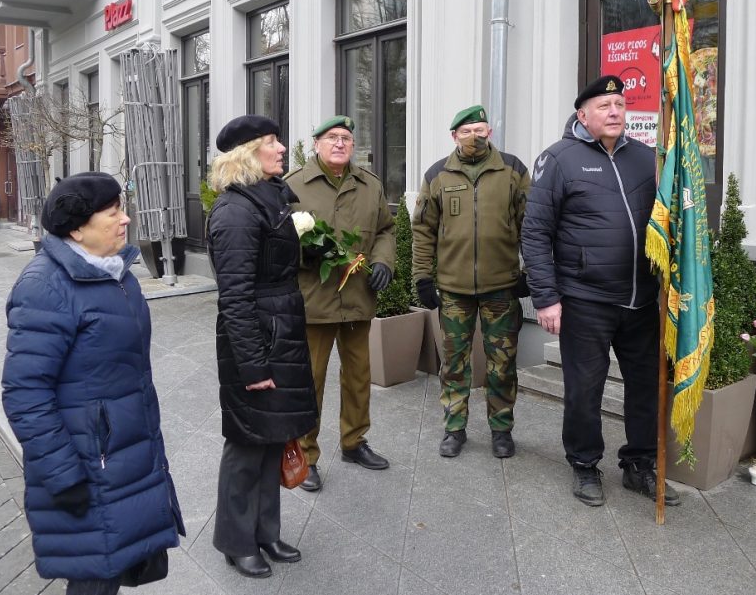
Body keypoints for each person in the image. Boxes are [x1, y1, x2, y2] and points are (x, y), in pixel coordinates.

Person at [2, 171, 185, 595]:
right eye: (113, 211)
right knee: (94, 578)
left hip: (122, 454)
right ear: (78, 228)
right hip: (85, 467)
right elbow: (25, 393)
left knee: (113, 567)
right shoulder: (45, 287)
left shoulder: (118, 274)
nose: (125, 219)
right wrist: (64, 475)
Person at [521, 75, 680, 508]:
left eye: (620, 104)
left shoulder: (647, 159)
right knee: (585, 389)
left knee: (646, 386)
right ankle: (585, 464)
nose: (614, 112)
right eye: (604, 105)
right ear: (582, 115)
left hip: (643, 298)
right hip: (586, 299)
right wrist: (546, 299)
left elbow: (667, 222)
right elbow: (535, 233)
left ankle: (640, 464)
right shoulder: (559, 160)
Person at [207, 115, 317, 578]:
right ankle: (236, 540)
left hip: (281, 331)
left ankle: (266, 532)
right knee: (248, 444)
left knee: (274, 439)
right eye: (271, 142)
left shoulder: (271, 200)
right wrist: (252, 366)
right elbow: (234, 297)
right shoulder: (234, 212)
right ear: (247, 155)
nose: (280, 149)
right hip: (258, 341)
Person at [284, 115, 395, 491]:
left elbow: (385, 230)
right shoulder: (294, 185)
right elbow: (278, 240)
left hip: (358, 296)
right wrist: (305, 253)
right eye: (332, 137)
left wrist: (383, 261)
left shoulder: (369, 185)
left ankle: (354, 441)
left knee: (359, 376)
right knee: (310, 381)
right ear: (316, 144)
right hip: (314, 301)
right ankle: (305, 452)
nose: (340, 143)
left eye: (346, 137)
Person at [412, 105, 530, 458]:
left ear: (489, 132)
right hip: (453, 290)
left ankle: (502, 429)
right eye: (466, 131)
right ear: (454, 137)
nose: (474, 137)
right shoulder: (437, 174)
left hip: (501, 288)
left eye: (480, 129)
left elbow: (531, 225)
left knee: (503, 364)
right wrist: (421, 277)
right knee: (454, 364)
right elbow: (422, 231)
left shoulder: (512, 169)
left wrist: (530, 274)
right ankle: (453, 429)